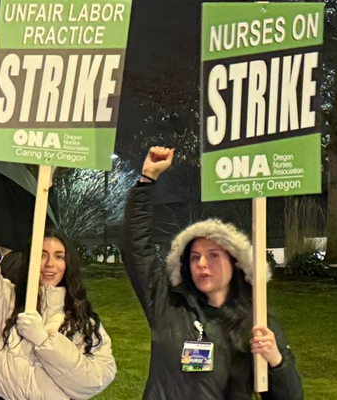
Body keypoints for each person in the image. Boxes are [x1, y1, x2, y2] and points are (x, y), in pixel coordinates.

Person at [123, 147, 303, 399]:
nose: (202, 264)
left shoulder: (257, 324)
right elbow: (136, 250)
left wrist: (276, 361)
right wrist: (146, 180)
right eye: (195, 257)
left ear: (236, 263)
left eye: (213, 255)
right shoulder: (168, 305)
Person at [0, 153, 117, 399]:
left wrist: (45, 341)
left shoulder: (84, 322)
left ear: (68, 263)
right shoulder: (3, 301)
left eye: (59, 256)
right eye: (42, 255)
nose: (50, 264)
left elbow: (92, 382)